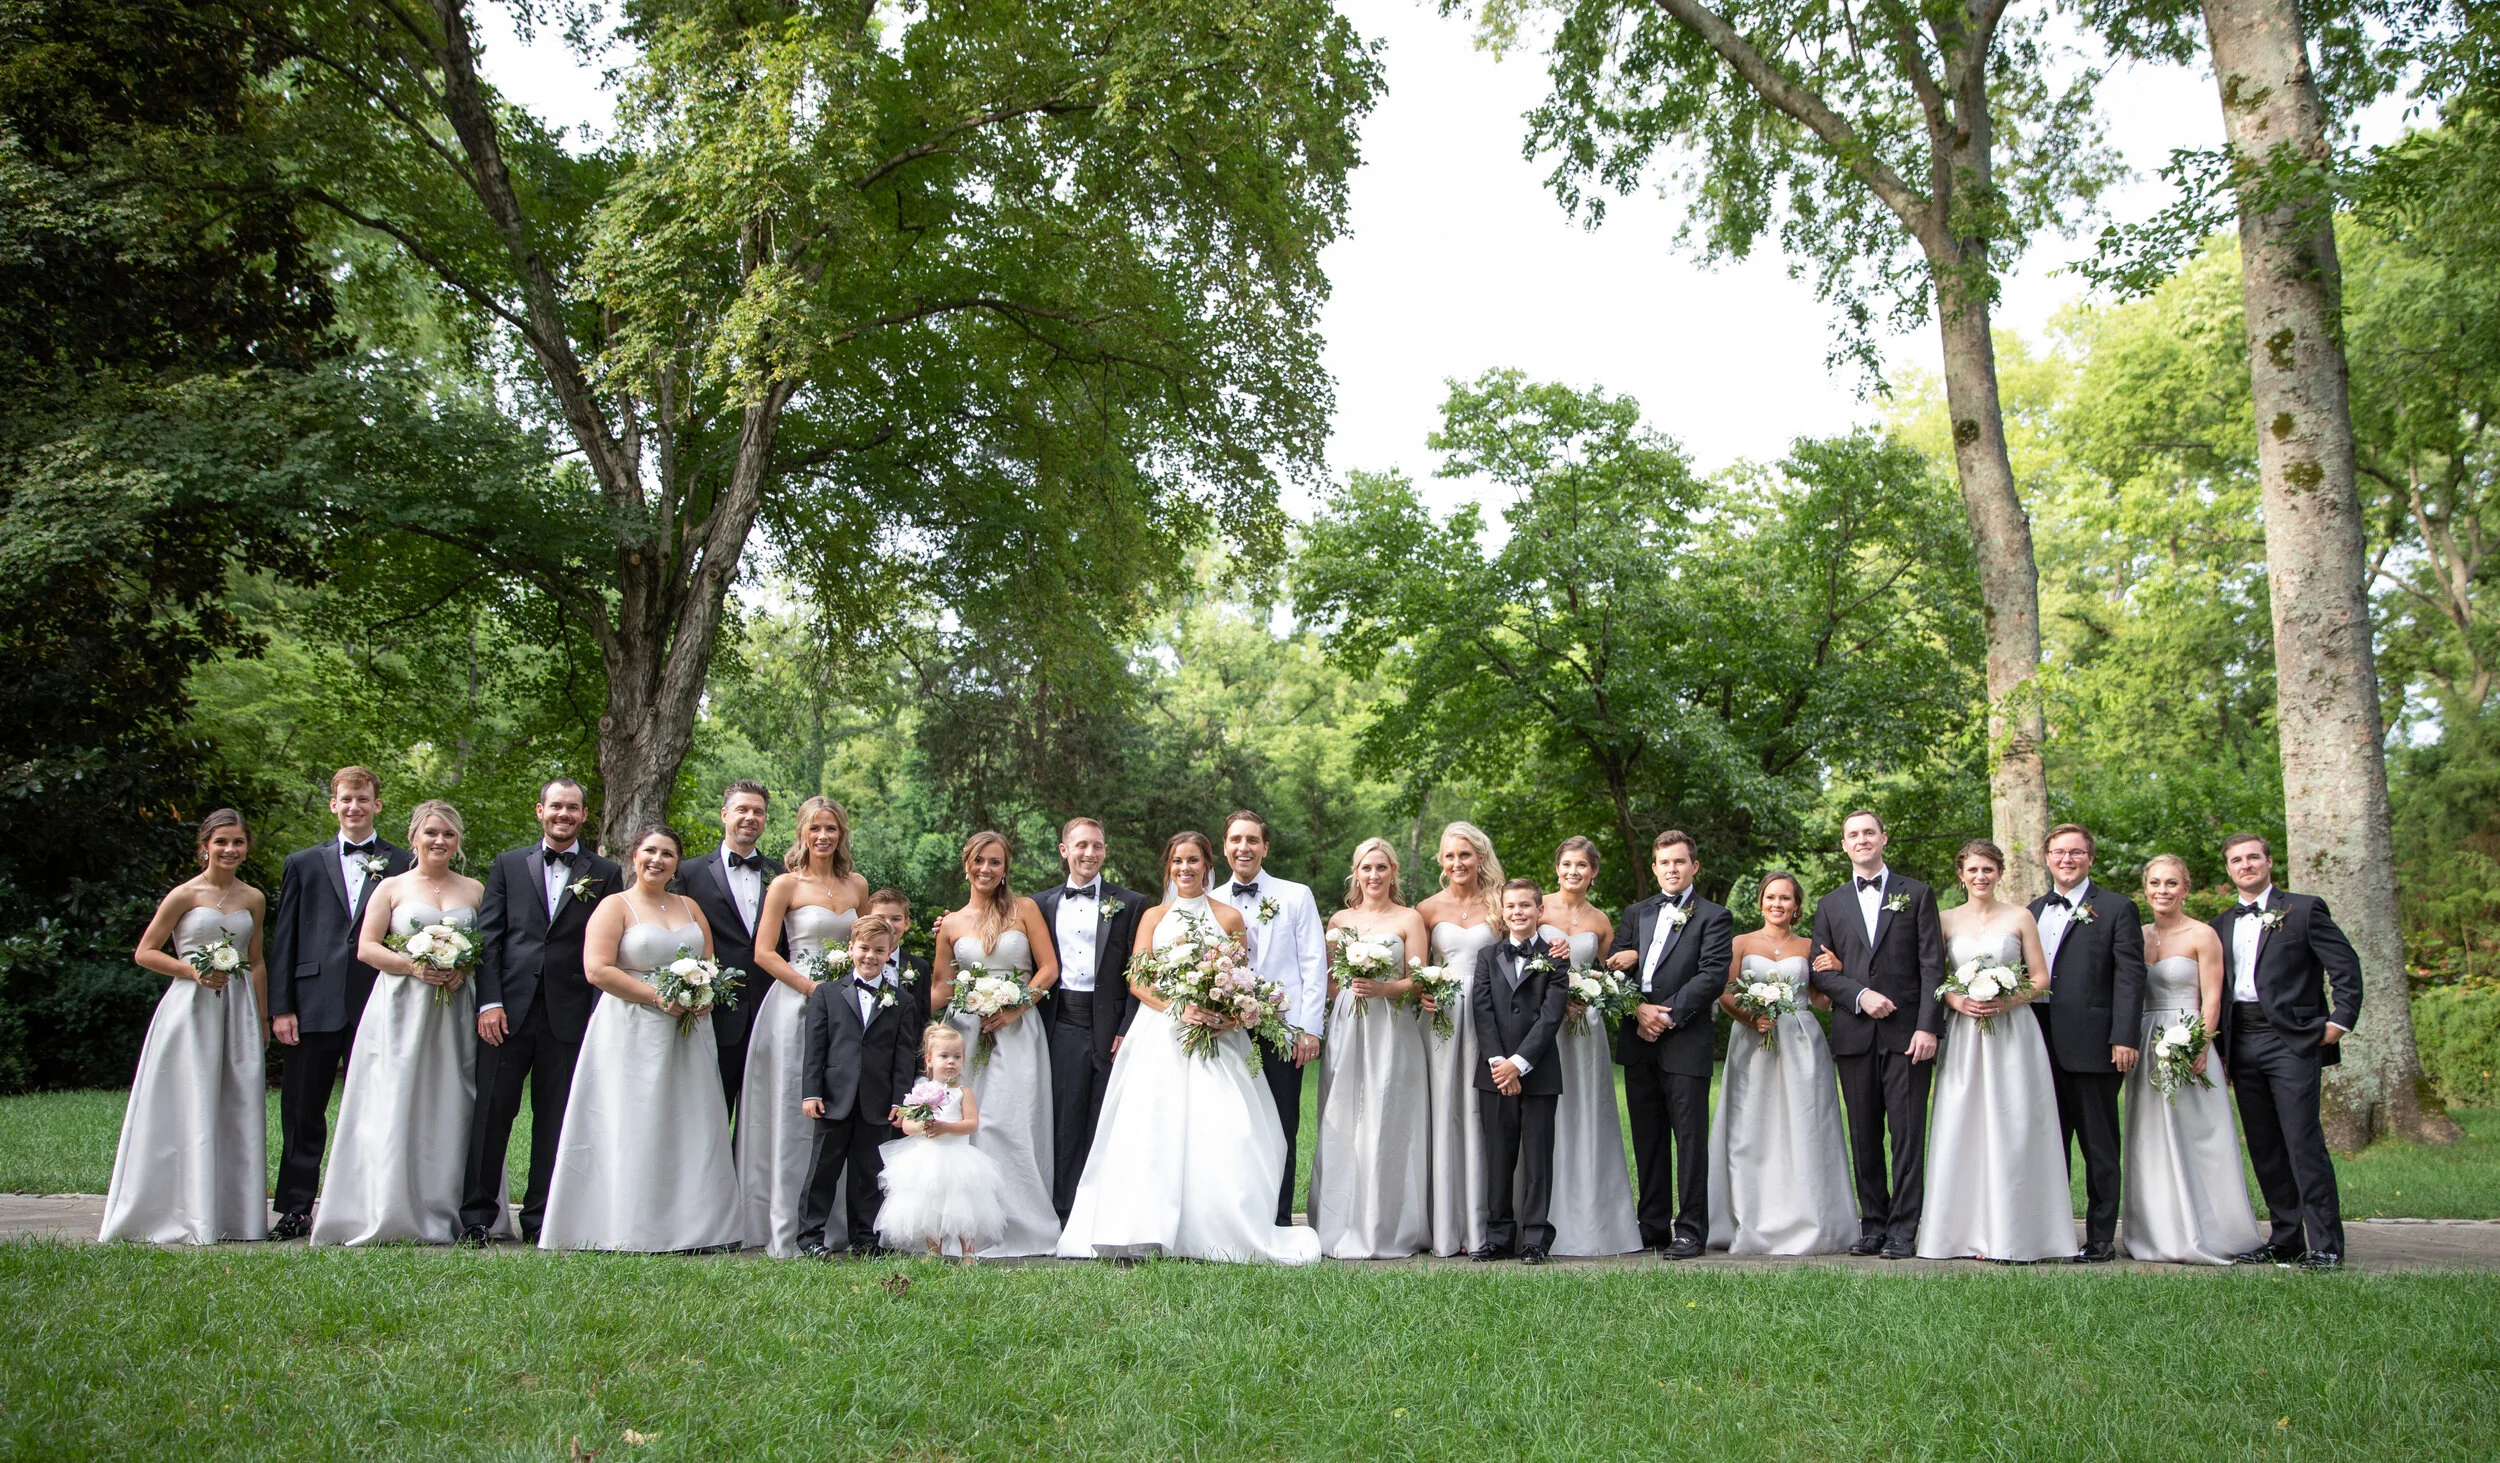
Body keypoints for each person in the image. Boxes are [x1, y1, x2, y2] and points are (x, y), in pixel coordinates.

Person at [1055, 831, 1322, 1264]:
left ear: (1207, 864)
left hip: (1215, 1038)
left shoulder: (1231, 918)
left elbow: (1240, 984)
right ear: (1168, 867)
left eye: (1193, 860)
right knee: (1152, 1126)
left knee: (1225, 1128)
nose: (1185, 868)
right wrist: (1179, 1010)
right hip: (1159, 1036)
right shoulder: (1153, 917)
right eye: (1177, 861)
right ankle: (1145, 1226)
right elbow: (1138, 980)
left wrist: (1227, 1016)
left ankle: (1215, 1228)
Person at [538, 827, 741, 1253]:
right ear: (633, 856)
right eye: (649, 851)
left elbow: (709, 963)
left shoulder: (690, 907)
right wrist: (658, 996)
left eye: (668, 854)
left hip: (688, 1032)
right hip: (630, 1028)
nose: (657, 860)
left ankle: (695, 1228)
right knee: (631, 1121)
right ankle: (624, 1225)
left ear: (676, 863)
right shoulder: (616, 906)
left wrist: (706, 993)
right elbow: (597, 969)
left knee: (688, 1122)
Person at [313, 799, 485, 1246]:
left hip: (453, 1008)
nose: (439, 841)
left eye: (448, 834)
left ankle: (447, 1206)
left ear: (458, 841)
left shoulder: (474, 890)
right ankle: (386, 1206)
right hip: (400, 1005)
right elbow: (367, 948)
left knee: (451, 1097)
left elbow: (487, 950)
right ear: (414, 837)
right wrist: (414, 966)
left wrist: (461, 968)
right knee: (394, 1097)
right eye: (431, 833)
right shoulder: (391, 887)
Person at [461, 778, 623, 1245]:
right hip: (506, 1011)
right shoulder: (509, 865)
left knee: (554, 1117)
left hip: (569, 1012)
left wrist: (596, 1015)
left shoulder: (605, 872)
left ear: (584, 815)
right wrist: (488, 1002)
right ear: (540, 810)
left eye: (573, 808)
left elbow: (603, 946)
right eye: (556, 806)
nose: (563, 815)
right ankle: (476, 1216)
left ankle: (540, 1217)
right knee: (492, 1112)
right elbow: (490, 938)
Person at [100, 810, 269, 1244]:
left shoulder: (253, 897)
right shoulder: (184, 895)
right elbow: (145, 952)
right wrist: (192, 972)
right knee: (186, 1101)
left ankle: (234, 1216)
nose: (230, 850)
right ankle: (178, 1211)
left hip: (237, 1010)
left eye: (238, 842)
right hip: (189, 1008)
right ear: (205, 846)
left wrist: (261, 1019)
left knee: (234, 1106)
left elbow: (256, 961)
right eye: (222, 842)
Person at [265, 767, 412, 1239]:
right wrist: (281, 1007)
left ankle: (367, 1203)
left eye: (363, 799)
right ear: (333, 804)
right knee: (303, 1108)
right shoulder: (303, 863)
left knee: (375, 1106)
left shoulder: (403, 861)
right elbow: (284, 937)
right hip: (312, 1003)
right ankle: (294, 1207)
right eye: (346, 799)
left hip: (381, 1001)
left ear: (377, 805)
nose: (354, 807)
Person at [2213, 833, 2364, 1270]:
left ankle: (2326, 1246)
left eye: (2253, 857)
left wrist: (2340, 1021)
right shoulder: (2222, 923)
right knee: (2264, 1145)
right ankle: (2285, 1239)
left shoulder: (2304, 909)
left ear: (2269, 862)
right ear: (2228, 869)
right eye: (2237, 860)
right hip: (2241, 1041)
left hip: (2291, 1040)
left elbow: (2345, 966)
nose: (2246, 865)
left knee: (2302, 1141)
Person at [1917, 839, 2071, 1263]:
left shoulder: (2020, 916)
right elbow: (1932, 976)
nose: (1980, 877)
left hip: (2013, 1033)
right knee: (1963, 1122)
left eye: (1988, 869)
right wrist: (1955, 1001)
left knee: (2015, 1121)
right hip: (1966, 1033)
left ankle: (2017, 1231)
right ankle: (1962, 1232)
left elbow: (2040, 978)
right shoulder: (1944, 920)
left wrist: (2006, 1000)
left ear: (1999, 873)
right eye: (1973, 870)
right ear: (1961, 875)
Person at [1807, 809, 1944, 1259]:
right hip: (1855, 1032)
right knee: (1864, 1134)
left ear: (1884, 838)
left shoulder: (1917, 894)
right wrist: (1861, 994)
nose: (1861, 839)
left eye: (1869, 832)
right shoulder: (1830, 904)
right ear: (1844, 846)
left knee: (1907, 1134)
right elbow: (1821, 971)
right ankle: (1874, 1224)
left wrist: (1928, 1026)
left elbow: (1932, 966)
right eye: (1853, 834)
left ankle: (1904, 1229)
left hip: (1908, 1034)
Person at [741, 796, 868, 1257]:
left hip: (847, 1011)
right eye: (815, 828)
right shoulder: (785, 885)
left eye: (831, 828)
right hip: (797, 1004)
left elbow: (870, 941)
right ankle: (788, 1227)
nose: (823, 836)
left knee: (840, 1103)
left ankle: (836, 1227)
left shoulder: (857, 885)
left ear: (841, 833)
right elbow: (764, 952)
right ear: (802, 832)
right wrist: (812, 989)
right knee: (796, 1108)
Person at [1707, 871, 1857, 1256]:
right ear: (1761, 902)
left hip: (1801, 1043)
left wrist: (1835, 972)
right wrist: (1750, 1017)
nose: (1778, 904)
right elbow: (1724, 992)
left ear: (1797, 907)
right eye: (1771, 897)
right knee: (1751, 1129)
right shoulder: (1740, 942)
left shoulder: (1810, 946)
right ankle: (1749, 1218)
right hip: (1752, 1042)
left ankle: (1810, 1219)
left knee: (1806, 1127)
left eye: (1786, 898)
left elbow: (1821, 1000)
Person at [2124, 854, 2263, 1264]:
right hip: (2146, 1041)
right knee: (2148, 1136)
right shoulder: (2138, 935)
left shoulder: (2202, 934)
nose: (2162, 891)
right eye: (2154, 883)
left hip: (2188, 1036)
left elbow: (2213, 996)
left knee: (2198, 1133)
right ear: (2145, 889)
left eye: (2171, 883)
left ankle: (2214, 1229)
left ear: (2186, 888)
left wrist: (2202, 1045)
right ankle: (2156, 1230)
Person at [930, 831, 1062, 1256]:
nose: (985, 869)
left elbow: (1048, 969)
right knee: (968, 1123)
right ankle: (969, 1227)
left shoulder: (1025, 910)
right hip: (965, 1035)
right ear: (965, 862)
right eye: (978, 861)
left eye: (995, 862)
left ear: (1006, 868)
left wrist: (1016, 1007)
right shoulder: (950, 924)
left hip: (1019, 1031)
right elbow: (940, 987)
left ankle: (1021, 1222)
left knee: (1012, 1121)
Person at [1604, 830, 1732, 1259]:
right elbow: (1615, 969)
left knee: (1690, 1138)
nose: (1672, 869)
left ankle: (1691, 1228)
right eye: (1664, 863)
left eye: (1680, 862)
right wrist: (1637, 1011)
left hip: (1684, 1040)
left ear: (1694, 866)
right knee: (1648, 1136)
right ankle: (1652, 1224)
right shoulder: (1635, 913)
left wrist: (1665, 1014)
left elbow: (1712, 975)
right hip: (1638, 1040)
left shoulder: (1714, 916)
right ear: (1655, 867)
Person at [2026, 823, 2147, 1263]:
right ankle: (2048, 1233)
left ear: (2090, 859)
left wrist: (2124, 1036)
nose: (2067, 859)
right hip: (2038, 1046)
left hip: (2095, 1045)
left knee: (2098, 1145)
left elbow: (2132, 976)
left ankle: (2099, 1239)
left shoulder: (2116, 908)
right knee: (2047, 1144)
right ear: (2047, 858)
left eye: (2076, 853)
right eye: (2058, 852)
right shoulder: (2032, 910)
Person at [1310, 837, 1432, 1259]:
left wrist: (1385, 988)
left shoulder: (1410, 919)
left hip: (1393, 1025)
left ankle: (1388, 1223)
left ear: (1393, 871)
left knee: (1388, 1114)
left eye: (1382, 868)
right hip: (1349, 1022)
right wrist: (1346, 994)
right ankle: (1338, 1220)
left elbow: (1419, 980)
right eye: (1366, 868)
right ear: (1356, 872)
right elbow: (1326, 979)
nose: (1374, 876)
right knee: (1344, 1114)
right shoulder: (1340, 918)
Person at [1209, 809, 1327, 1226]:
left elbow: (1314, 964)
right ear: (1224, 847)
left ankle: (1277, 1219)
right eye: (1236, 840)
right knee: (1231, 1124)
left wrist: (1309, 1029)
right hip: (1226, 1032)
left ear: (1265, 847)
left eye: (1252, 840)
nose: (1244, 847)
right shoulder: (1209, 901)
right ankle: (1234, 1217)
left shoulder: (1296, 895)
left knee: (1281, 1123)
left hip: (1283, 1029)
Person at [1031, 816, 1145, 1222]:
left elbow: (1138, 972)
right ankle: (1063, 1210)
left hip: (1111, 1025)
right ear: (1065, 850)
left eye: (1097, 846)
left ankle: (1102, 1209)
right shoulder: (1040, 904)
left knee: (1105, 1117)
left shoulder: (1131, 904)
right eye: (1081, 846)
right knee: (1065, 1116)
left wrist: (1126, 1029)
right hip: (1061, 1021)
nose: (1090, 854)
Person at [798, 912, 932, 1257]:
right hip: (833, 1097)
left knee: (869, 1172)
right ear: (850, 949)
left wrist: (900, 1100)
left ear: (890, 953)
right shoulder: (827, 994)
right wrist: (811, 1092)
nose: (870, 956)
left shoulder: (902, 1001)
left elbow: (904, 1056)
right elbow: (815, 1048)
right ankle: (811, 1237)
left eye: (878, 950)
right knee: (822, 1170)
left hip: (877, 1101)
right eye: (863, 949)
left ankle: (866, 1239)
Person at [1536, 837, 1639, 1256]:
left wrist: (1602, 984)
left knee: (1585, 1109)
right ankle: (1538, 1213)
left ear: (1593, 872)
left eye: (1581, 865)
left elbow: (1612, 973)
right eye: (1566, 864)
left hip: (1584, 1026)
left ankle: (1592, 1217)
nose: (1573, 871)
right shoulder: (1537, 908)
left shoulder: (1601, 920)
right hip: (1544, 1022)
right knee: (1546, 1112)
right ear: (1556, 868)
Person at [1470, 878, 1570, 1263]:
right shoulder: (1487, 956)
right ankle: (1497, 1236)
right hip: (1495, 1074)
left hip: (1539, 1071)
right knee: (1498, 1156)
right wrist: (1500, 1063)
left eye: (1526, 906)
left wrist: (1519, 1064)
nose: (1518, 912)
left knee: (1537, 1157)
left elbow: (1550, 1015)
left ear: (1539, 911)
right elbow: (1482, 1011)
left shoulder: (1557, 957)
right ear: (1503, 911)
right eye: (1511, 906)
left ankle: (1535, 1239)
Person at [673, 780, 785, 1119]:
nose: (750, 817)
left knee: (762, 1116)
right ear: (724, 814)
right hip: (714, 1010)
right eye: (742, 810)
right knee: (709, 1109)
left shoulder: (782, 875)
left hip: (771, 1007)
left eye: (758, 812)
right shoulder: (689, 872)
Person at [1418, 821, 1504, 1257]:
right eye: (1450, 856)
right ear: (1441, 861)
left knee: (1485, 1108)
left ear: (1481, 857)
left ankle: (1491, 1218)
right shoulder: (1427, 909)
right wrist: (1423, 992)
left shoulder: (1500, 906)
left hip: (1492, 1013)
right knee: (1446, 1108)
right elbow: (1414, 972)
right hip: (1442, 1018)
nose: (1458, 863)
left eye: (1465, 855)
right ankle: (1446, 1221)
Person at [874, 1024, 1007, 1261]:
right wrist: (923, 1128)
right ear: (929, 1060)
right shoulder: (920, 1090)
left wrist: (946, 1127)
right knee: (929, 1205)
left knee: (963, 1205)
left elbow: (971, 1123)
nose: (951, 1062)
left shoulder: (963, 1092)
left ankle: (968, 1252)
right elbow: (907, 1125)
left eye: (957, 1057)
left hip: (957, 1156)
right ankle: (934, 1250)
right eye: (944, 1056)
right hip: (928, 1157)